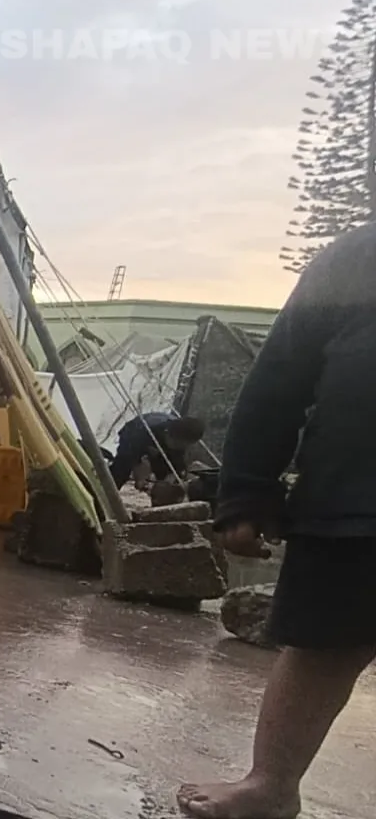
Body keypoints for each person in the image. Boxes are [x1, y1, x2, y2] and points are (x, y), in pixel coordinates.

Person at [177, 224, 376, 819]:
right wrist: (246, 494)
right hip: (351, 502)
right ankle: (272, 783)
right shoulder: (354, 260)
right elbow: (276, 383)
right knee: (319, 650)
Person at [108, 412, 205, 490]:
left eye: (186, 445)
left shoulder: (182, 438)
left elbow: (176, 467)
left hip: (159, 442)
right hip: (132, 435)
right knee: (121, 470)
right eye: (178, 444)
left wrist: (171, 479)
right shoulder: (140, 434)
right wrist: (140, 478)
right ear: (169, 435)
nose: (182, 447)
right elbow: (135, 461)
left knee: (168, 476)